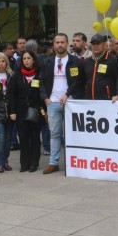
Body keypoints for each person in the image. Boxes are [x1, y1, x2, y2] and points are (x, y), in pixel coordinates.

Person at [40, 33, 85, 174]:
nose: (59, 45)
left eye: (62, 42)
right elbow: (40, 80)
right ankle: (53, 163)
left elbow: (79, 81)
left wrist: (67, 94)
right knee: (54, 134)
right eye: (57, 42)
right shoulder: (47, 61)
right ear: (54, 45)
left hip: (70, 103)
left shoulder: (75, 61)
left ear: (67, 44)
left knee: (71, 134)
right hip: (52, 102)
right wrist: (45, 98)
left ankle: (73, 162)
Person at [8, 50, 45, 172]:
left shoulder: (40, 74)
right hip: (21, 111)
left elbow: (44, 93)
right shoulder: (17, 76)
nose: (27, 61)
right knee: (23, 138)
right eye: (24, 59)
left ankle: (34, 163)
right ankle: (24, 163)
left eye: (29, 58)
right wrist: (12, 111)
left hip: (36, 110)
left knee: (35, 138)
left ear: (33, 60)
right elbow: (11, 95)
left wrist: (44, 110)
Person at [84, 34, 118, 100]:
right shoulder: (87, 62)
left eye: (98, 43)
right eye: (93, 44)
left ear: (104, 44)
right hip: (89, 101)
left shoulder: (112, 60)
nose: (95, 46)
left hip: (107, 101)